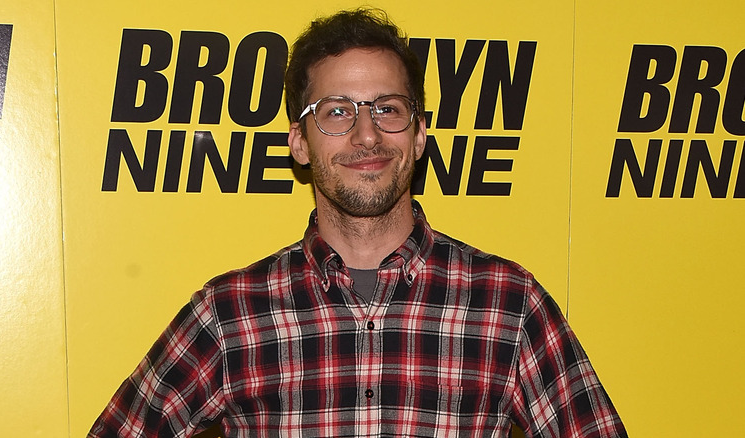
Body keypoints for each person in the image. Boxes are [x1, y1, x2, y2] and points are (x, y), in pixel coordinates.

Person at [89, 8, 627, 437]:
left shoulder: (507, 302)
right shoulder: (230, 313)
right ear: (299, 141)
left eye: (387, 108)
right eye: (337, 111)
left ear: (418, 133)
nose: (367, 135)